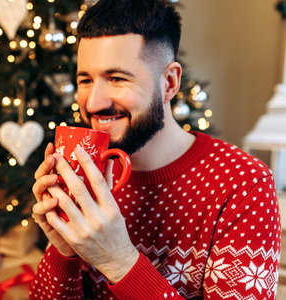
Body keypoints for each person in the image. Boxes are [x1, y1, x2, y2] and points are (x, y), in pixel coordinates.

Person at [29, 0, 281, 299]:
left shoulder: (244, 184)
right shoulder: (84, 177)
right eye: (85, 79)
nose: (93, 103)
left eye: (117, 78)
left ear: (170, 82)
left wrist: (119, 262)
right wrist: (64, 252)